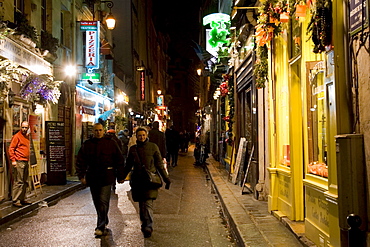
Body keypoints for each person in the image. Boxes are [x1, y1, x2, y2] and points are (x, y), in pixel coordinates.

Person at [76, 123, 125, 236]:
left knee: (103, 201)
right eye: (96, 130)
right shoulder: (87, 145)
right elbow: (80, 161)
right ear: (93, 131)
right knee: (97, 202)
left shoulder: (110, 143)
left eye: (100, 130)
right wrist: (81, 175)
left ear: (104, 131)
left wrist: (120, 175)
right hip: (93, 177)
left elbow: (119, 159)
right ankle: (104, 219)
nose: (98, 132)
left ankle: (100, 226)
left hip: (106, 177)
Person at [122, 127, 171, 238]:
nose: (142, 137)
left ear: (147, 135)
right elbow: (128, 165)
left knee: (148, 204)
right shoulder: (133, 149)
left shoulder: (153, 147)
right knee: (141, 205)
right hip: (138, 181)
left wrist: (166, 178)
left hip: (149, 181)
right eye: (140, 135)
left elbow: (159, 164)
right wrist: (122, 177)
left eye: (143, 135)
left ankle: (148, 226)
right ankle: (145, 224)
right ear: (136, 136)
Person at [8, 121, 32, 207]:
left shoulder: (27, 137)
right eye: (23, 127)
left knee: (25, 181)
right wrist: (13, 160)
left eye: (26, 127)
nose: (24, 129)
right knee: (19, 181)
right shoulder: (17, 136)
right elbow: (11, 149)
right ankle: (16, 200)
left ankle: (22, 198)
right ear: (20, 127)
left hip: (25, 161)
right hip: (19, 161)